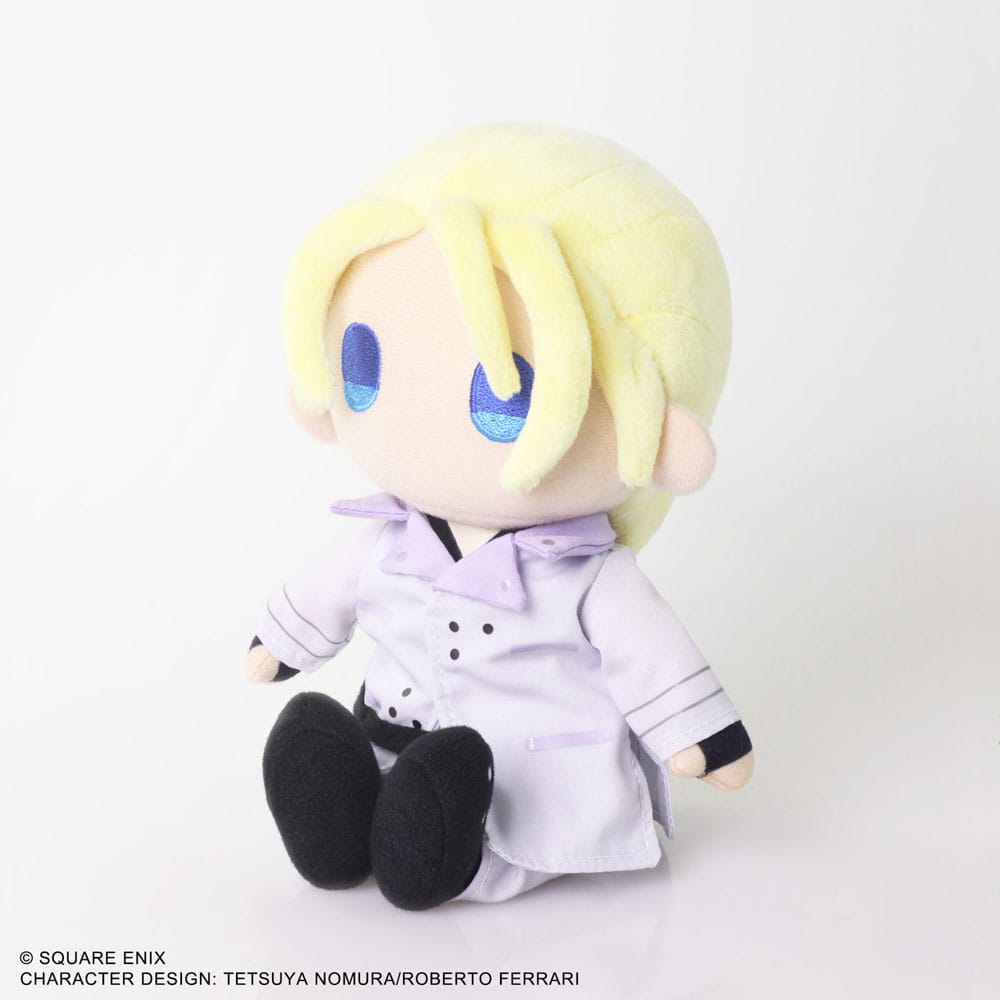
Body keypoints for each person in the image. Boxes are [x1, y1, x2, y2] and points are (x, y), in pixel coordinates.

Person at [247, 123, 753, 910]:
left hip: (529, 781)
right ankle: (348, 827)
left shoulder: (587, 578)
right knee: (341, 751)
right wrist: (282, 643)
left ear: (653, 425)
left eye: (501, 398)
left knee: (459, 804)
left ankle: (433, 851)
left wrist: (701, 737)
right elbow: (327, 593)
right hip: (391, 738)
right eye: (363, 366)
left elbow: (649, 652)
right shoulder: (388, 543)